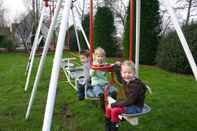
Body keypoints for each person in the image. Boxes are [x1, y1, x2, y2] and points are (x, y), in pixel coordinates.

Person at [104, 61, 147, 131]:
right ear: (121, 73)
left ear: (134, 73)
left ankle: (114, 128)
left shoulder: (135, 86)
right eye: (124, 73)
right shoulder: (127, 80)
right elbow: (119, 78)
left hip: (136, 107)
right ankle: (107, 127)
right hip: (128, 103)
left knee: (115, 110)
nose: (126, 75)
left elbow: (130, 101)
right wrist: (116, 65)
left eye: (129, 73)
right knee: (108, 108)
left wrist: (114, 104)